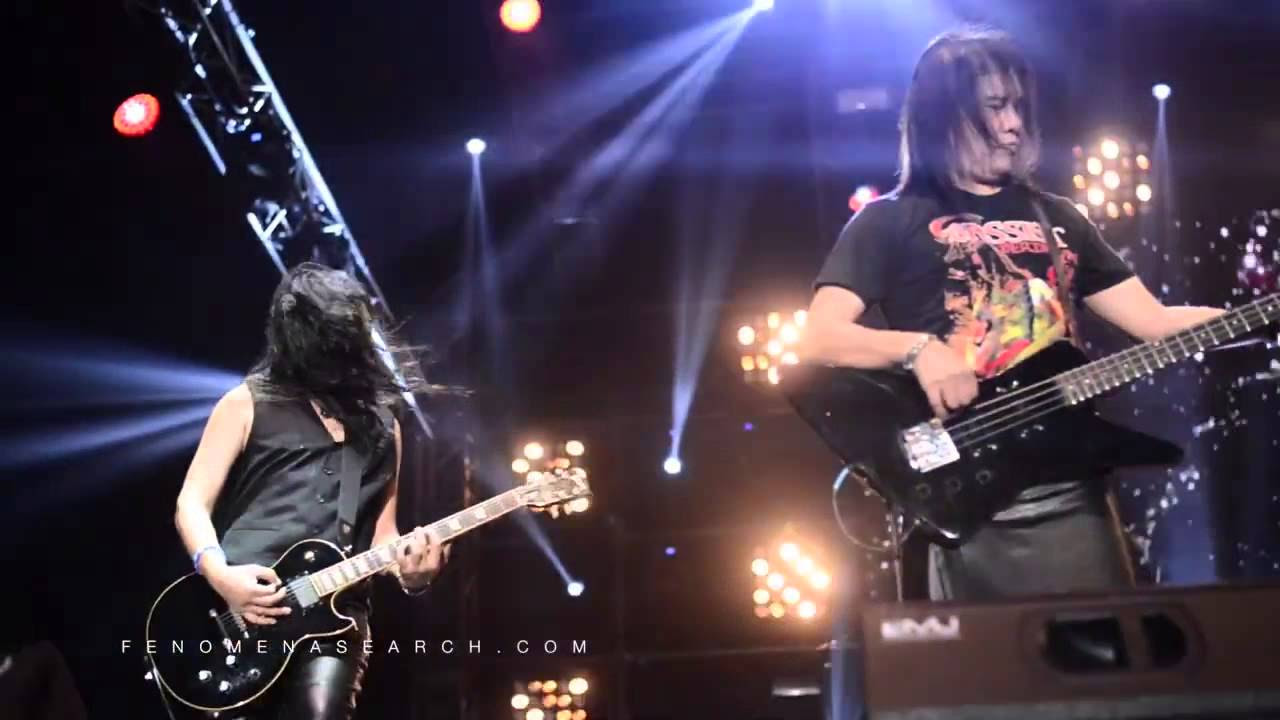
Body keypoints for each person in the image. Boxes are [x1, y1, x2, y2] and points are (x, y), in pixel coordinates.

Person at [802, 28, 1224, 602]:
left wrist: (1256, 318)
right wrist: (919, 350)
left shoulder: (1060, 217)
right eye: (995, 107)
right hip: (960, 494)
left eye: (1018, 107)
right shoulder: (888, 220)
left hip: (1069, 491)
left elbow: (1156, 323)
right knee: (981, 659)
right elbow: (820, 336)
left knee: (1106, 648)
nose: (1014, 124)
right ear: (945, 117)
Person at [174, 262, 447, 718]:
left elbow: (383, 535)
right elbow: (191, 502)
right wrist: (219, 574)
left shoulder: (383, 425)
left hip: (336, 616)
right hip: (240, 604)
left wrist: (413, 573)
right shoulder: (246, 402)